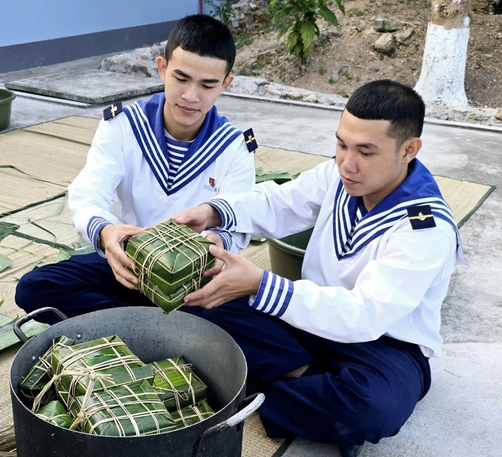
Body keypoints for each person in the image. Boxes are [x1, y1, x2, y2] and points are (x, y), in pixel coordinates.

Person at [172, 80, 466, 457]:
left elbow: (365, 315)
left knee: (373, 408)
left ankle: (266, 381)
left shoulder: (426, 228)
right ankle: (303, 382)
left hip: (383, 347)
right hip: (305, 320)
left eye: (366, 151)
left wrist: (260, 284)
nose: (347, 162)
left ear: (409, 149)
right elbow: (281, 202)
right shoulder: (340, 176)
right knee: (197, 300)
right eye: (342, 144)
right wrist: (214, 211)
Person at [15, 14, 256, 318]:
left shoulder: (234, 146)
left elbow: (236, 221)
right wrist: (105, 232)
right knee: (35, 287)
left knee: (270, 333)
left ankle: (126, 324)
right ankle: (163, 330)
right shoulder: (125, 125)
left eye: (207, 85)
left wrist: (216, 243)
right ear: (162, 69)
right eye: (181, 78)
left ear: (225, 84)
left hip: (194, 281)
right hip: (128, 266)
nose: (190, 96)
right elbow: (89, 193)